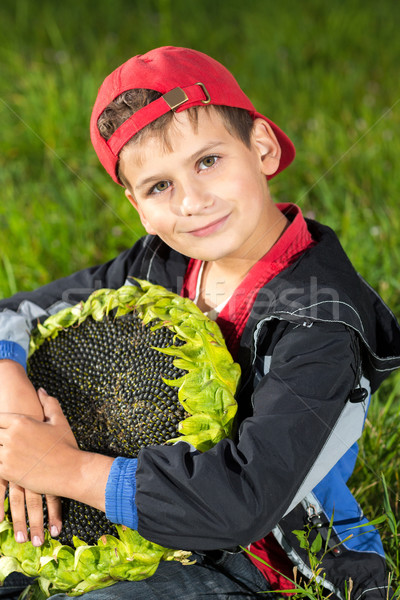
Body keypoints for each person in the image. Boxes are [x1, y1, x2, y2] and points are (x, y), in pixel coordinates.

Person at [0, 46, 399, 600]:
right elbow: (16, 312)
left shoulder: (319, 320)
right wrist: (12, 392)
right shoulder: (160, 264)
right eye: (159, 186)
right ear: (137, 204)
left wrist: (63, 470)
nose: (191, 201)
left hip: (264, 559)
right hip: (136, 516)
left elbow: (244, 501)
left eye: (208, 161)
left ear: (260, 147)